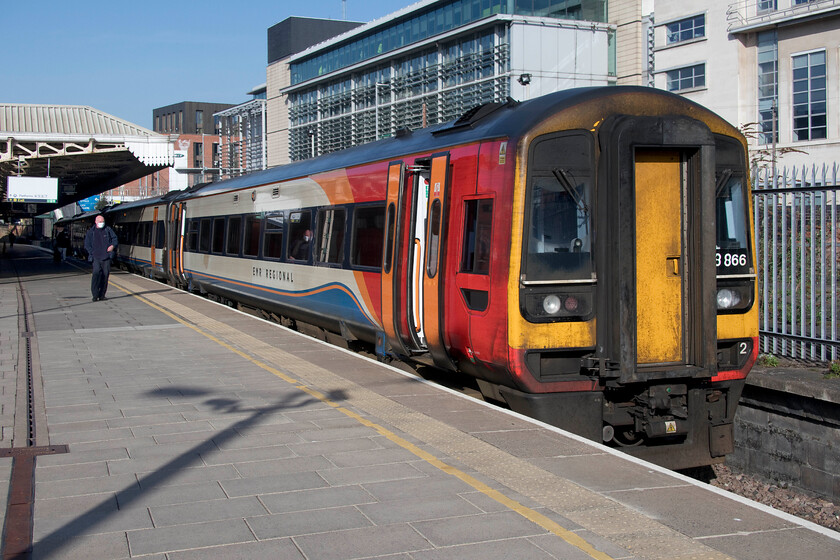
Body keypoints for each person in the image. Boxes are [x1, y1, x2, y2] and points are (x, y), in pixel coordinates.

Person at [84, 215, 118, 302]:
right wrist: (92, 253)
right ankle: (95, 295)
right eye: (100, 222)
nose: (101, 223)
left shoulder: (108, 230)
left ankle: (102, 295)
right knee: (96, 275)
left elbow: (115, 239)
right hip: (96, 258)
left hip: (106, 257)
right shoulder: (91, 232)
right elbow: (87, 244)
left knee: (105, 276)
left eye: (102, 221)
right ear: (96, 222)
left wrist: (112, 246)